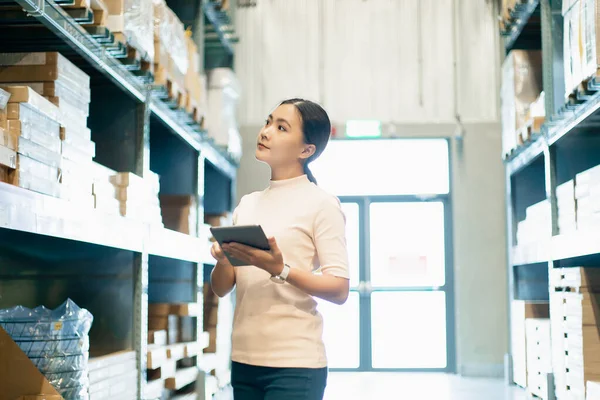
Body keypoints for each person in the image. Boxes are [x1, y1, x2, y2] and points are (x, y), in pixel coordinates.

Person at [210, 98, 350, 400]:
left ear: (306, 150)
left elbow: (339, 289)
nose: (266, 131)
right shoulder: (248, 204)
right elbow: (222, 289)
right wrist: (223, 261)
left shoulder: (322, 204)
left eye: (281, 127)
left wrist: (279, 269)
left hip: (296, 365)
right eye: (268, 121)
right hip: (245, 361)